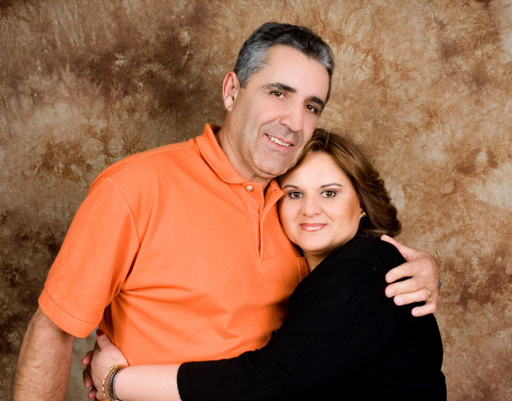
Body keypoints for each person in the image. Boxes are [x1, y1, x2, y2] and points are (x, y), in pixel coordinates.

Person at [13, 22, 440, 400]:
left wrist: (424, 270)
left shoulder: (293, 204)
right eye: (278, 93)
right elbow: (54, 329)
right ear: (232, 91)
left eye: (311, 106)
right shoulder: (135, 188)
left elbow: (353, 291)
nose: (294, 122)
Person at [86, 129, 446, 401]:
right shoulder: (329, 267)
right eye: (295, 194)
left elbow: (267, 384)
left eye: (330, 192)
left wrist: (116, 381)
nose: (310, 209)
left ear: (362, 204)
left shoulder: (360, 270)